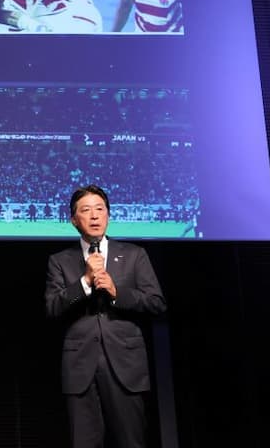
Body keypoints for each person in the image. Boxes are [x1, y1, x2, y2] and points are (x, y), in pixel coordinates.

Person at [44, 185, 167, 448]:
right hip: (80, 369)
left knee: (132, 442)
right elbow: (53, 308)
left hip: (126, 366)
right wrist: (85, 282)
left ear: (109, 215)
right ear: (73, 220)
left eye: (100, 209)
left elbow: (156, 303)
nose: (94, 216)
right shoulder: (60, 261)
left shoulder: (134, 255)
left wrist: (116, 293)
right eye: (86, 210)